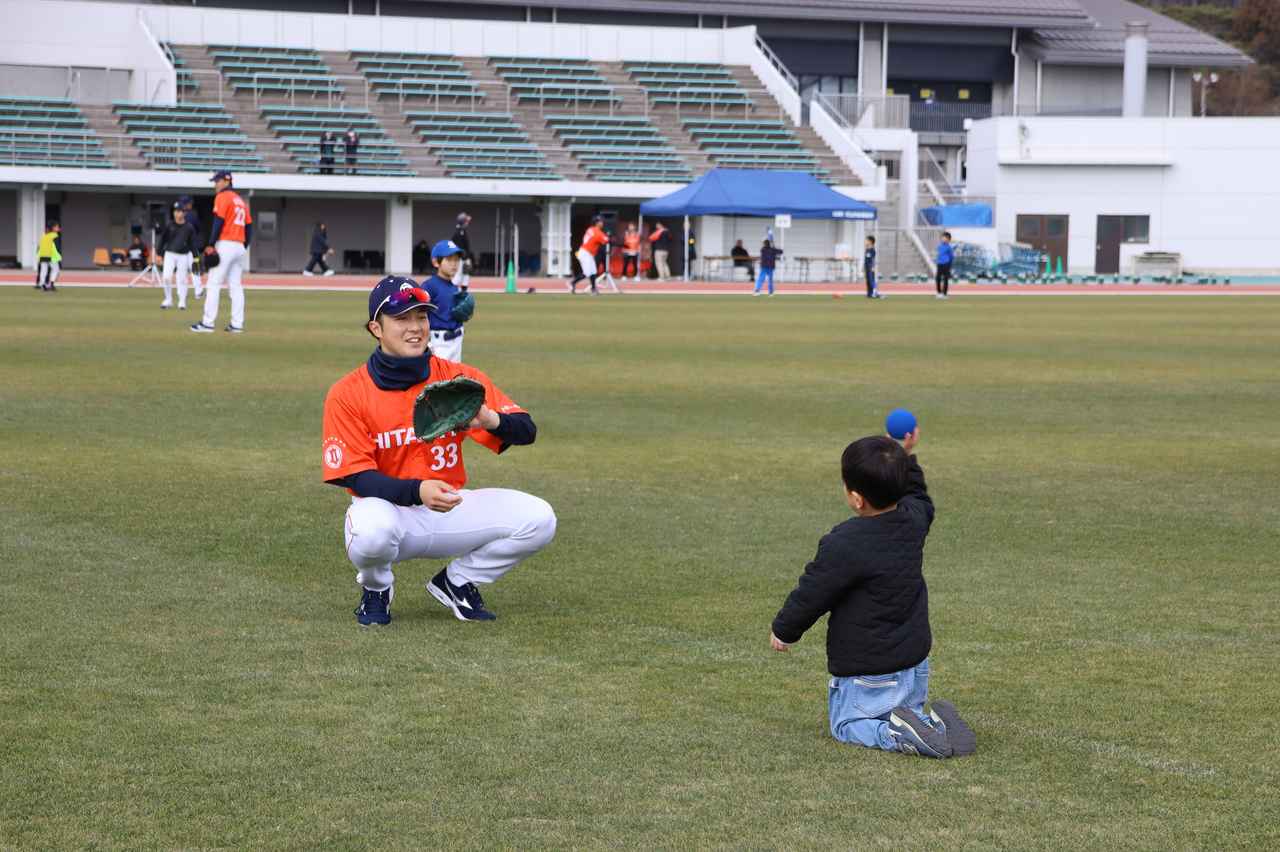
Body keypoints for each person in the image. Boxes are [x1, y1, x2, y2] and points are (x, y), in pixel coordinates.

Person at [321, 275, 556, 625]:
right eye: (402, 319)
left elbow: (526, 431)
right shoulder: (348, 392)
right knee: (369, 532)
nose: (416, 327)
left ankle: (457, 582)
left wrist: (492, 421)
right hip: (389, 513)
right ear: (376, 328)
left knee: (539, 519)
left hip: (450, 506)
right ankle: (377, 587)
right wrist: (417, 491)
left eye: (422, 317)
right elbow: (354, 475)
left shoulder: (456, 379)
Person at [769, 428, 976, 760]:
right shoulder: (913, 521)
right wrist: (905, 455)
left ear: (856, 499)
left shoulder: (845, 542)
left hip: (866, 672)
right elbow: (919, 495)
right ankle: (932, 724)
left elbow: (814, 591)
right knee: (903, 708)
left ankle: (895, 734)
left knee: (847, 725)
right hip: (914, 665)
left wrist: (785, 630)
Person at [191, 170, 253, 334]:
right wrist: (243, 246)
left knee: (214, 283)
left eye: (217, 181)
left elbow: (218, 221)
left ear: (226, 181)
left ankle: (207, 323)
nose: (215, 184)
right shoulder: (240, 200)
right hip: (239, 246)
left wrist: (211, 243)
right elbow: (249, 227)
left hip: (226, 243)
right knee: (236, 286)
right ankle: (237, 324)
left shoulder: (223, 197)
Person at [421, 240, 470, 362]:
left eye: (457, 260)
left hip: (457, 341)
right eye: (449, 259)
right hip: (438, 344)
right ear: (435, 262)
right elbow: (419, 315)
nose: (454, 264)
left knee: (455, 379)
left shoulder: (454, 287)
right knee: (439, 379)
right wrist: (426, 343)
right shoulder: (429, 286)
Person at [158, 202, 203, 310]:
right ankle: (168, 299)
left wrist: (196, 258)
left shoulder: (189, 227)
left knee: (182, 279)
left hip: (183, 255)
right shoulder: (169, 225)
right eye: (176, 211)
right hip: (169, 254)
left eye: (180, 211)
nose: (178, 214)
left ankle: (182, 301)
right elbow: (163, 240)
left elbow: (192, 244)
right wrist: (159, 254)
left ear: (184, 213)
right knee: (166, 277)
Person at [570, 215, 609, 294]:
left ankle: (593, 289)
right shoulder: (597, 232)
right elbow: (606, 240)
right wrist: (609, 236)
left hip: (586, 252)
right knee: (587, 272)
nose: (602, 223)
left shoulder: (590, 229)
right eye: (600, 221)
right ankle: (573, 283)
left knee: (593, 271)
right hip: (585, 253)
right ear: (596, 223)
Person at [177, 195, 204, 299]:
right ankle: (198, 292)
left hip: (180, 246)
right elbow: (198, 228)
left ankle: (181, 293)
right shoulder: (192, 214)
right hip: (191, 246)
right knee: (194, 269)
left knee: (181, 271)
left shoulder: (177, 214)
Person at [35, 221, 62, 292]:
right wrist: (58, 256)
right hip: (51, 256)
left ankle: (42, 284)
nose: (58, 228)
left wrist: (38, 254)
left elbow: (39, 247)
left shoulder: (44, 236)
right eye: (57, 227)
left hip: (42, 255)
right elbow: (56, 247)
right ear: (53, 228)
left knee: (43, 270)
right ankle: (51, 284)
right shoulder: (55, 236)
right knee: (56, 270)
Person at [450, 213, 473, 288]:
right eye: (466, 221)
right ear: (462, 222)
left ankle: (463, 293)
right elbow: (460, 247)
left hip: (463, 258)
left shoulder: (462, 231)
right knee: (458, 275)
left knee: (465, 275)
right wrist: (465, 258)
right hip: (460, 258)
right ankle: (452, 291)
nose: (467, 223)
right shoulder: (459, 232)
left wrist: (467, 258)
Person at [935, 231, 953, 300]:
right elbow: (939, 255)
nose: (943, 239)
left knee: (945, 279)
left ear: (948, 239)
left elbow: (951, 257)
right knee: (938, 278)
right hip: (939, 264)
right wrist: (937, 261)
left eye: (945, 238)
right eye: (942, 237)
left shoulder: (949, 248)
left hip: (946, 264)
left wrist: (949, 265)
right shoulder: (939, 246)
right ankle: (939, 293)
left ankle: (944, 294)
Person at [864, 235, 882, 299]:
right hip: (866, 267)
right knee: (868, 281)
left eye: (866, 240)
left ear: (870, 241)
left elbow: (872, 259)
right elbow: (866, 259)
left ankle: (875, 293)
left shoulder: (872, 250)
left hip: (870, 267)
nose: (865, 242)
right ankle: (869, 293)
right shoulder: (867, 249)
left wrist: (873, 267)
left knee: (871, 281)